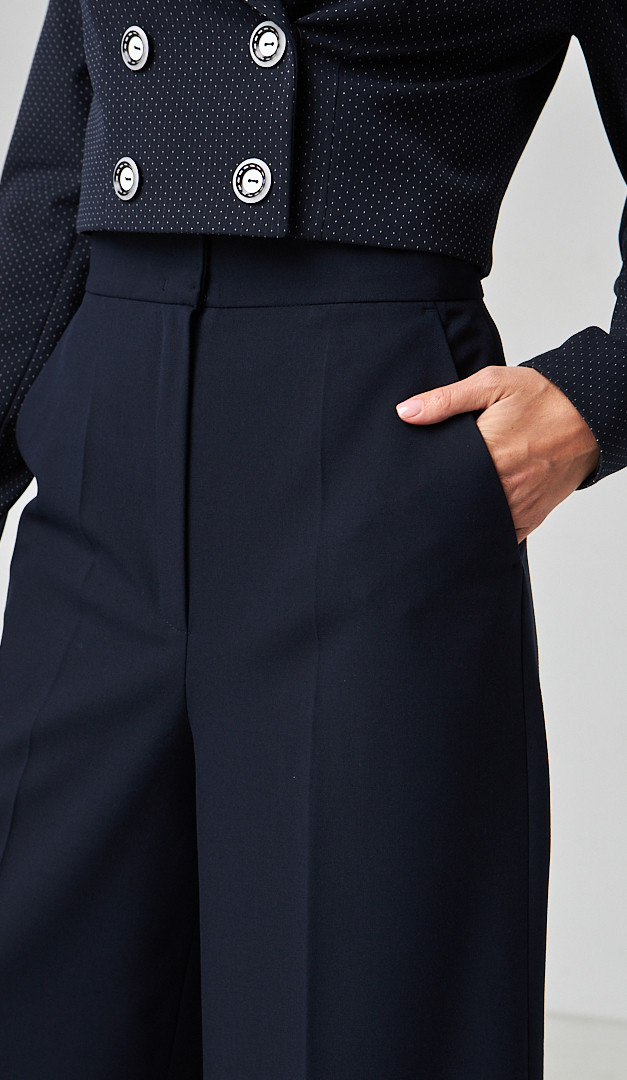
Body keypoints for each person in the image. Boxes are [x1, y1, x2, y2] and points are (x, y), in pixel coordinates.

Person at [0, 1, 623, 1077]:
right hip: (100, 466)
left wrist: (597, 399)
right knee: (40, 1009)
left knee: (359, 1031)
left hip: (374, 461)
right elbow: (57, 165)